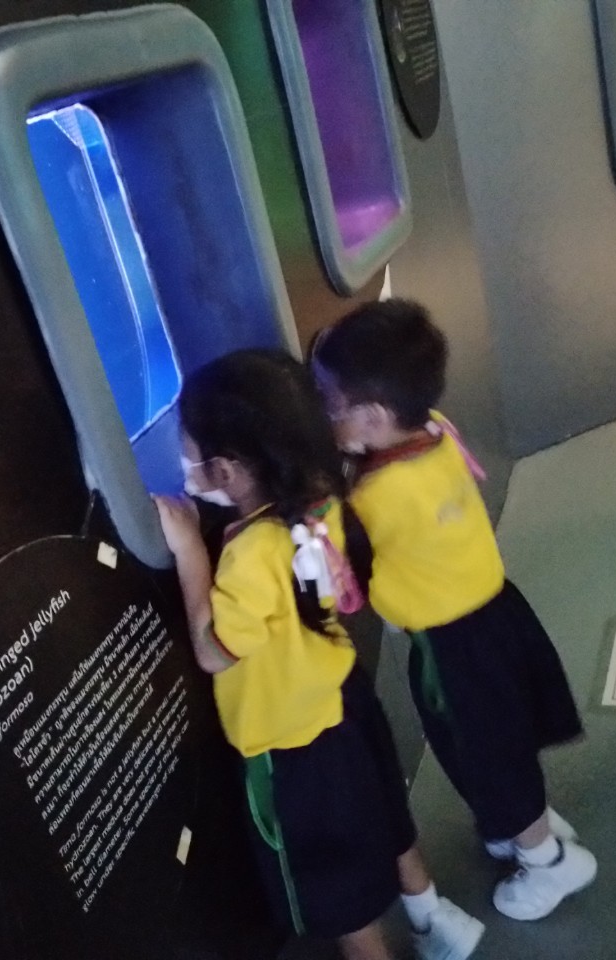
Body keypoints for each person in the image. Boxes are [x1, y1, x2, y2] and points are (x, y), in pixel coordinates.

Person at [154, 350, 484, 960]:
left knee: (337, 882)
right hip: (343, 699)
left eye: (188, 452)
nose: (184, 465)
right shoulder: (320, 501)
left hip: (293, 741)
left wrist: (189, 553)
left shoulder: (251, 555)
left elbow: (214, 651)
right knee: (383, 812)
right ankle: (435, 918)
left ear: (228, 469)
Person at [311, 305, 596, 923]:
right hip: (498, 613)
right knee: (504, 737)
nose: (325, 415)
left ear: (374, 416)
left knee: (486, 753)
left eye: (331, 403)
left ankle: (548, 860)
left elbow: (340, 565)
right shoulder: (435, 430)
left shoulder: (376, 497)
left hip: (453, 648)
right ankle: (522, 822)